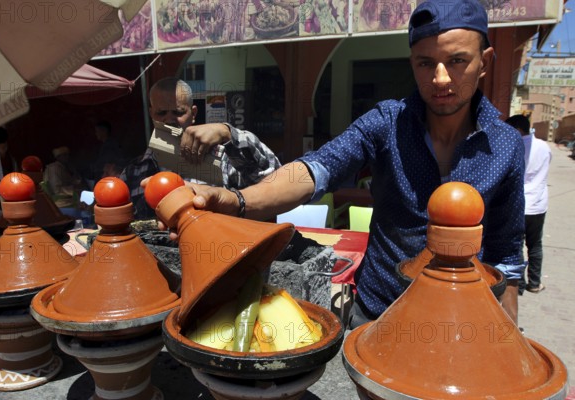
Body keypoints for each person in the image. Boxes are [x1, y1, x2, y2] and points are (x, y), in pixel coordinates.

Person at [157, 0, 526, 327]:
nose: (440, 78)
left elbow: (506, 254)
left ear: (485, 62)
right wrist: (239, 200)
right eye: (426, 63)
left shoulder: (506, 145)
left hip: (461, 322)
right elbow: (318, 168)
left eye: (457, 60)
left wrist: (507, 336)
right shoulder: (387, 123)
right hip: (379, 310)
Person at [120, 78, 281, 220]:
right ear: (151, 113)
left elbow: (274, 178)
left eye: (178, 112)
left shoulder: (224, 160)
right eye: (161, 112)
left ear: (193, 113)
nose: (169, 119)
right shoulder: (133, 172)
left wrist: (228, 133)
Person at [506, 114, 551, 295]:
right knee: (535, 245)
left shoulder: (512, 145)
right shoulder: (544, 146)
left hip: (518, 203)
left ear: (517, 129)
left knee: (517, 245)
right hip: (538, 204)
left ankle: (520, 284)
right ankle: (534, 282)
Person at [43, 146, 85, 218]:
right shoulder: (54, 168)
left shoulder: (64, 167)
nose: (67, 157)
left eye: (67, 155)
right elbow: (56, 189)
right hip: (62, 203)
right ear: (58, 157)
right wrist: (74, 190)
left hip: (69, 200)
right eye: (64, 155)